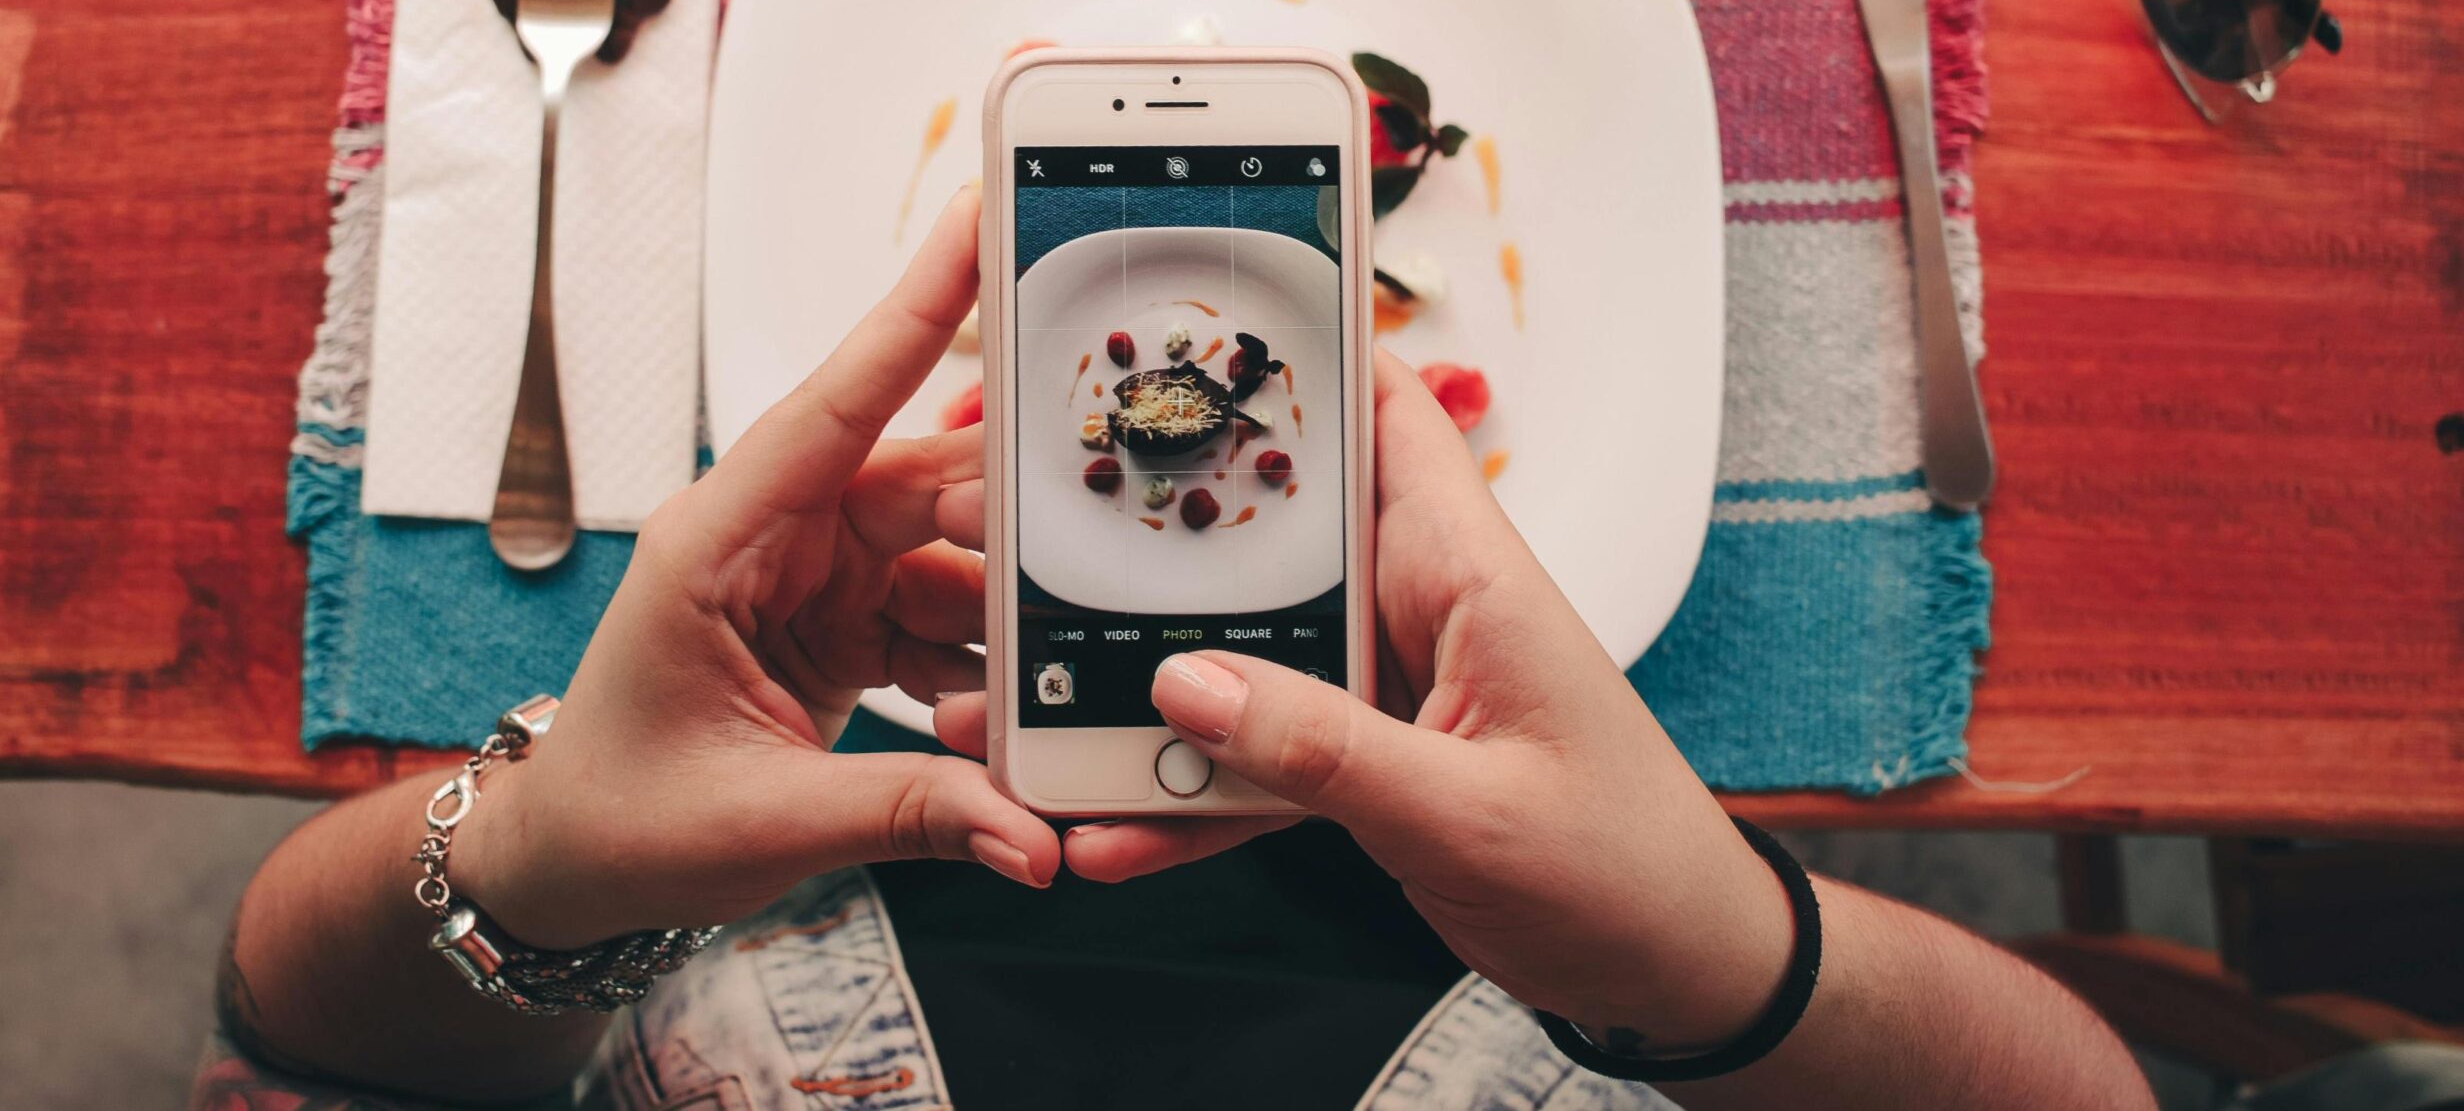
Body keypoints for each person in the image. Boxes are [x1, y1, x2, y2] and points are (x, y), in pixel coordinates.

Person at [200, 190, 2151, 1109]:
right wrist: (1718, 955)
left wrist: (541, 860)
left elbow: (294, 1030)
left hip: (788, 873)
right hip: (1527, 930)